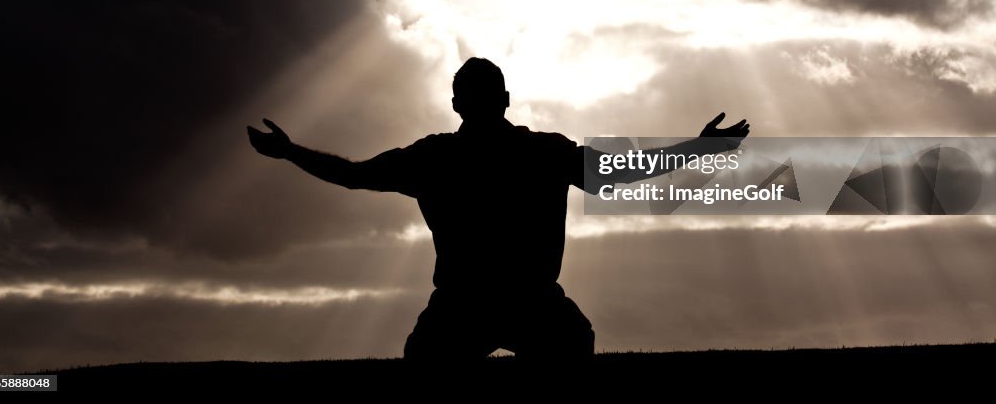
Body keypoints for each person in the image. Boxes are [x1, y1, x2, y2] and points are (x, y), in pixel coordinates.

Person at [247, 57, 749, 359]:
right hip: (525, 302)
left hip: (467, 305)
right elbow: (621, 172)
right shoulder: (542, 152)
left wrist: (290, 151)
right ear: (506, 99)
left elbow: (353, 176)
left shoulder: (436, 157)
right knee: (571, 342)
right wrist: (700, 148)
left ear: (457, 104)